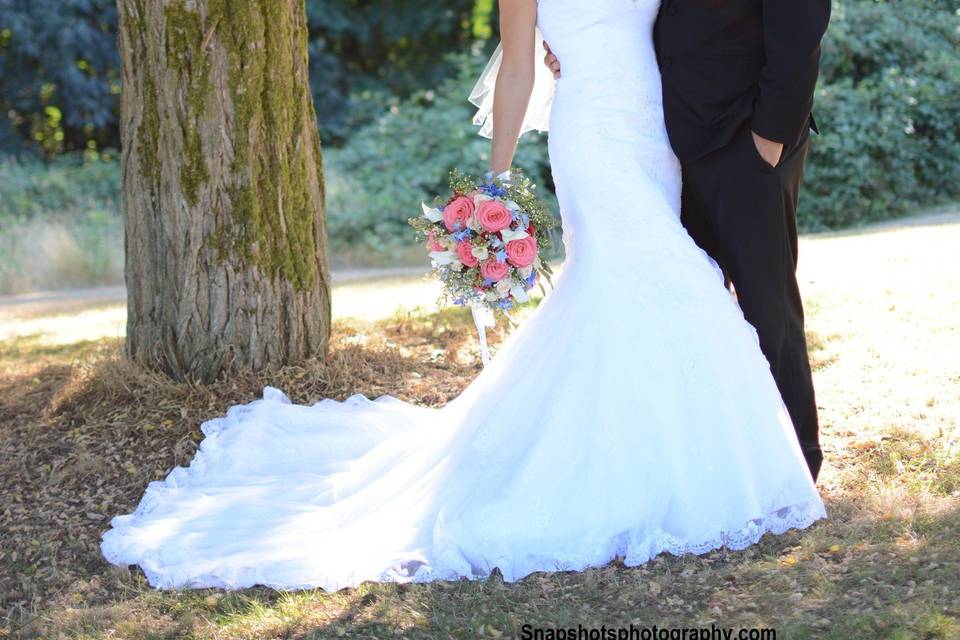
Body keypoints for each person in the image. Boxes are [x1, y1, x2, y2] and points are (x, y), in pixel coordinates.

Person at [100, 0, 826, 591]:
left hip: (659, 132)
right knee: (670, 283)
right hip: (594, 138)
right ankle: (704, 464)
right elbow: (517, 67)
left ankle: (680, 455)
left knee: (648, 295)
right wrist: (498, 183)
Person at [544, 0, 830, 481]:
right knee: (700, 309)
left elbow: (801, 24)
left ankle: (796, 461)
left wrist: (772, 134)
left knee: (766, 300)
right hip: (669, 140)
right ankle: (726, 456)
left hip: (748, 131)